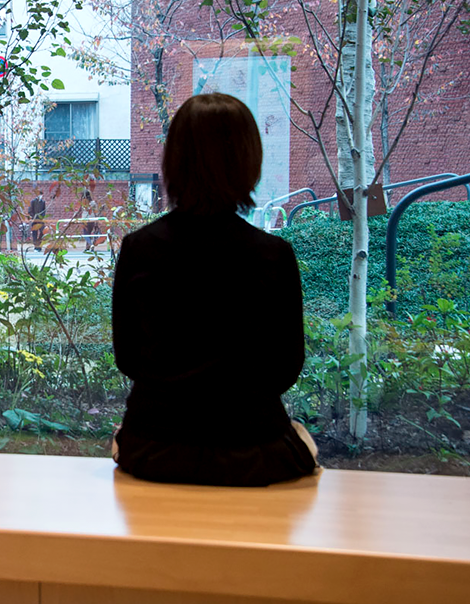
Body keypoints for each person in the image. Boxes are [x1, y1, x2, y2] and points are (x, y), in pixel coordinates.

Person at [111, 93, 318, 487]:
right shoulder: (273, 255)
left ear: (174, 161)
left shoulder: (139, 249)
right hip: (254, 449)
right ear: (248, 161)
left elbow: (128, 358)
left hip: (153, 447)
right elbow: (287, 365)